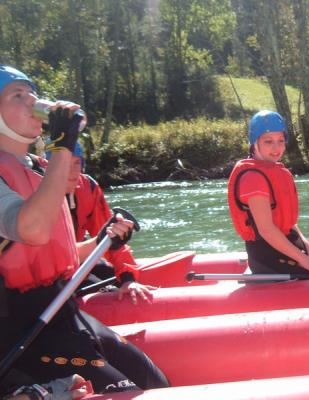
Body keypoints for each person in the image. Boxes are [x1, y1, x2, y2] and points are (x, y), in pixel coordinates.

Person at [0, 65, 169, 393]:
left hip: (61, 310)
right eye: (17, 95)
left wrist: (102, 240)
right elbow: (32, 230)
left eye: (31, 92)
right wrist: (62, 146)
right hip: (19, 330)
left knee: (153, 380)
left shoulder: (38, 168)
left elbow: (52, 255)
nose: (31, 100)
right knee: (124, 390)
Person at [227, 110, 309, 277]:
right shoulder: (253, 178)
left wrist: (307, 247)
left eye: (280, 141)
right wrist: (304, 260)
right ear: (255, 143)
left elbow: (287, 222)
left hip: (287, 244)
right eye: (268, 141)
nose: (276, 148)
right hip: (267, 256)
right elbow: (267, 230)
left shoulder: (273, 171)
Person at [52, 140, 151, 302]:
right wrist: (97, 242)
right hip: (51, 275)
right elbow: (50, 255)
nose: (73, 171)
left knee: (118, 276)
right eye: (65, 163)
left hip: (79, 262)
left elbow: (110, 239)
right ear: (48, 167)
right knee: (109, 290)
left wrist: (128, 279)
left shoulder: (88, 187)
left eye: (77, 163)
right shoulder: (34, 192)